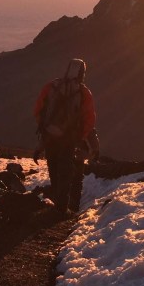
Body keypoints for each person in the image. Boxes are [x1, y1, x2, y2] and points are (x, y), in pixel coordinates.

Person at [33, 58, 98, 215]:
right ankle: (64, 208)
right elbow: (89, 120)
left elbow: (38, 110)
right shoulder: (83, 92)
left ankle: (58, 204)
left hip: (50, 136)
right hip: (70, 139)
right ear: (82, 74)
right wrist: (82, 138)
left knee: (54, 169)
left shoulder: (51, 86)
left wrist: (47, 130)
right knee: (68, 172)